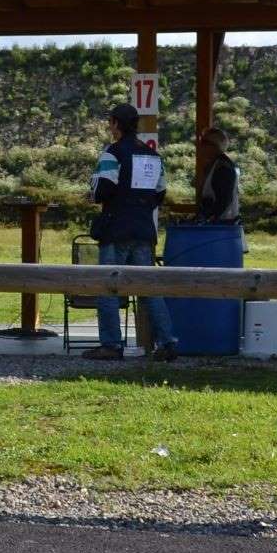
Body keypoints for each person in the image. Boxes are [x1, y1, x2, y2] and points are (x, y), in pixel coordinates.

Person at [85, 103, 177, 361]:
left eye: (110, 122)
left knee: (108, 288)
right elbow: (160, 193)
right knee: (149, 289)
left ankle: (112, 345)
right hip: (144, 229)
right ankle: (167, 342)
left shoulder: (111, 153)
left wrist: (93, 196)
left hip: (115, 228)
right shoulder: (153, 156)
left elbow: (102, 190)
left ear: (115, 124)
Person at [196, 127, 240, 223]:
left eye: (204, 142)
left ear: (214, 146)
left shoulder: (223, 168)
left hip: (222, 225)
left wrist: (210, 218)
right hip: (219, 224)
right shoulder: (215, 165)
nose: (200, 145)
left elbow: (223, 201)